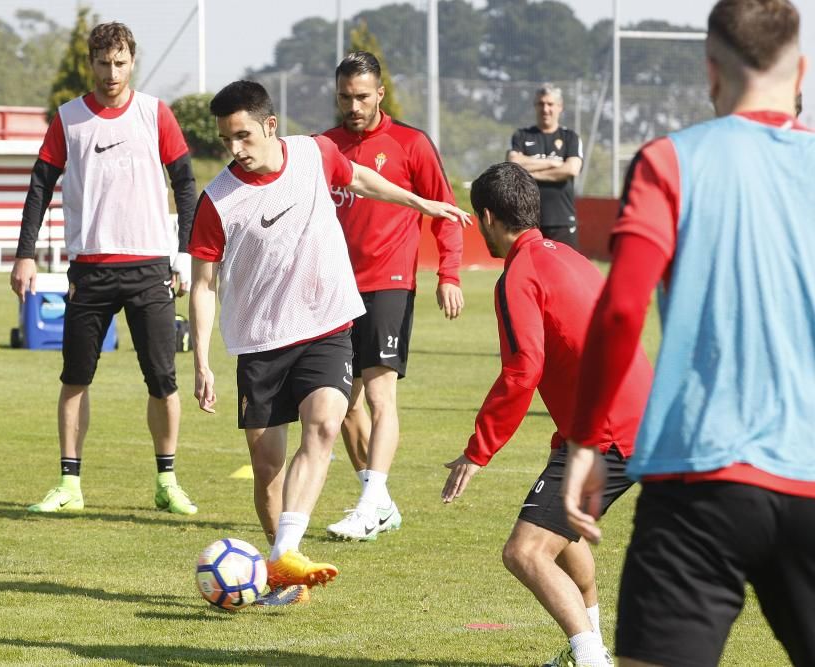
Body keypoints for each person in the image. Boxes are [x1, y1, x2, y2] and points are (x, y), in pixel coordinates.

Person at [562, 1, 815, 665]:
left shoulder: (669, 159)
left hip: (697, 478)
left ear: (710, 71)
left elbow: (620, 310)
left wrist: (587, 437)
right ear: (802, 71)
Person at [189, 81, 470, 596]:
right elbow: (203, 284)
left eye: (244, 136)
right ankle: (280, 569)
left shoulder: (314, 153)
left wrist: (420, 203)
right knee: (267, 468)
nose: (236, 149)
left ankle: (284, 555)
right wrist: (202, 361)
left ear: (270, 125)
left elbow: (360, 178)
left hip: (326, 326)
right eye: (227, 140)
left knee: (322, 426)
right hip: (259, 344)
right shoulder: (217, 201)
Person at [440, 162, 652, 667]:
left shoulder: (518, 275)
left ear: (487, 217)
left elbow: (522, 370)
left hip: (609, 434)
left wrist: (478, 450)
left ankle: (591, 659)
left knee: (526, 552)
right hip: (632, 419)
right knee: (558, 533)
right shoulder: (570, 256)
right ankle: (591, 645)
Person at [11, 22, 198, 515]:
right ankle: (69, 484)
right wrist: (24, 253)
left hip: (150, 266)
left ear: (131, 61)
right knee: (75, 377)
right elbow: (39, 187)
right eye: (102, 62)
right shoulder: (68, 118)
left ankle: (167, 480)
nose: (111, 72)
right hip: (89, 270)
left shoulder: (155, 113)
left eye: (119, 62)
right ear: (90, 63)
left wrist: (184, 253)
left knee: (162, 380)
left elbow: (185, 184)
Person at [321, 51, 464, 541]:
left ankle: (368, 503)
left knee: (380, 395)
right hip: (336, 287)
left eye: (362, 96)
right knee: (339, 402)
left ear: (380, 92)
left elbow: (443, 209)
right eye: (345, 97)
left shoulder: (411, 143)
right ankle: (377, 500)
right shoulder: (325, 146)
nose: (353, 106)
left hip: (390, 283)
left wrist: (450, 274)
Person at [507, 84, 583, 248]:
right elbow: (513, 163)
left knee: (564, 271)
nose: (545, 109)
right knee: (526, 269)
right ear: (535, 106)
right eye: (541, 104)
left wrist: (528, 171)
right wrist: (551, 163)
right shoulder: (521, 135)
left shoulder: (570, 137)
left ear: (560, 107)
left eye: (550, 104)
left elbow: (571, 169)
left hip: (562, 220)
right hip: (527, 220)